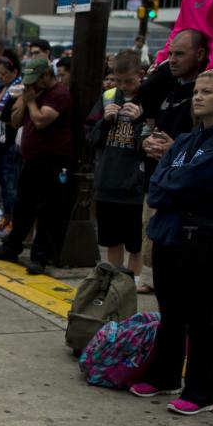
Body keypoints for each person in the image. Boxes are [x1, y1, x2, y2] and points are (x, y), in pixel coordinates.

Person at [129, 69, 213, 415]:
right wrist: (171, 183)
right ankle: (165, 375)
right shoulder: (185, 140)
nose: (197, 97)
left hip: (205, 240)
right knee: (171, 314)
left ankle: (201, 391)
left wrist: (170, 184)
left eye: (207, 92)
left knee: (200, 316)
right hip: (171, 235)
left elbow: (187, 184)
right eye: (196, 91)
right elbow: (164, 179)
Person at [0, 57, 73, 275]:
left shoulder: (59, 94)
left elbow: (42, 120)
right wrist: (24, 100)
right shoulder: (32, 92)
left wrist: (32, 102)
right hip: (30, 159)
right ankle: (12, 246)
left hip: (53, 160)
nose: (32, 85)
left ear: (46, 75)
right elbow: (15, 121)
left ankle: (40, 257)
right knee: (23, 206)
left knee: (47, 209)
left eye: (35, 80)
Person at [138, 29, 209, 293]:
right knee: (149, 232)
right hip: (156, 179)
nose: (173, 60)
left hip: (182, 190)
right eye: (170, 54)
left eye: (180, 54)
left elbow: (207, 147)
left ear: (200, 55)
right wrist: (145, 142)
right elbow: (144, 92)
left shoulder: (200, 95)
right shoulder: (168, 88)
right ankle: (150, 278)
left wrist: (175, 149)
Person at [86, 50, 148, 281]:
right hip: (108, 180)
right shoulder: (109, 96)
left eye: (129, 81)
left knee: (135, 242)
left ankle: (132, 282)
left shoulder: (148, 98)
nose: (124, 86)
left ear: (140, 75)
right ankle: (115, 283)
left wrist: (141, 119)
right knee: (112, 240)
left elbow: (151, 145)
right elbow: (91, 139)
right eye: (118, 80)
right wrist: (105, 121)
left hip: (134, 185)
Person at [0, 52, 22, 235]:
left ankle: (12, 220)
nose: (1, 77)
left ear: (14, 72)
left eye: (4, 74)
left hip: (9, 141)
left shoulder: (18, 89)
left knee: (10, 184)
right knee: (2, 183)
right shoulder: (2, 87)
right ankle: (6, 217)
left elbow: (11, 116)